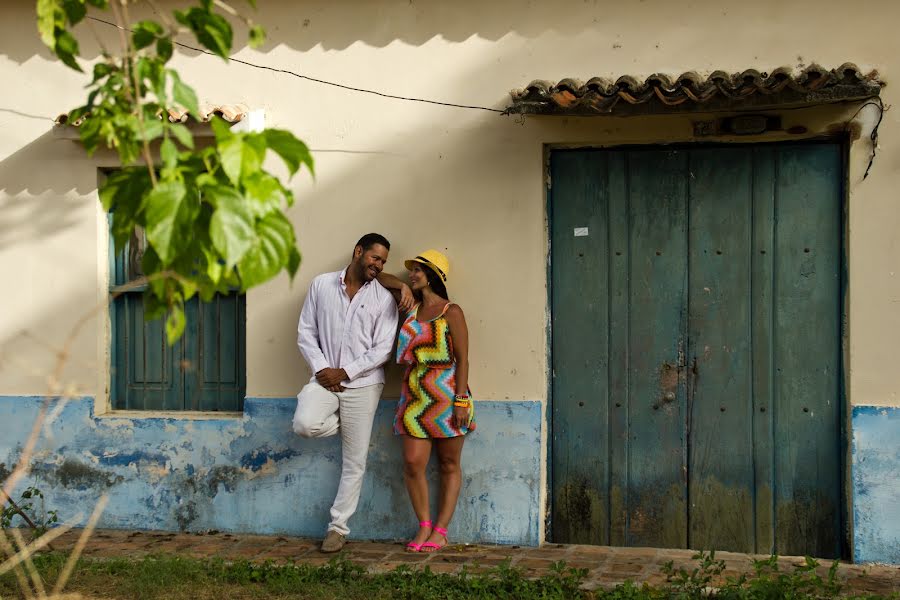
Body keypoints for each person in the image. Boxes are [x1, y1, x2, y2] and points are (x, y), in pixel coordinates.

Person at [292, 233, 402, 553]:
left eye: (383, 261)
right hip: (325, 378)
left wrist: (347, 372)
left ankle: (338, 528)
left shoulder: (383, 298)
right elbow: (306, 332)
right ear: (358, 252)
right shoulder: (321, 285)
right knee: (305, 424)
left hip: (364, 384)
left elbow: (383, 349)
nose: (378, 265)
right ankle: (349, 426)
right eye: (375, 258)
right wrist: (324, 369)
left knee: (354, 461)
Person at [392, 249, 474, 553]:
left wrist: (462, 400)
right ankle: (424, 525)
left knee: (449, 463)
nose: (411, 275)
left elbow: (464, 359)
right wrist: (401, 286)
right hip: (414, 395)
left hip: (448, 393)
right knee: (413, 463)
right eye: (412, 270)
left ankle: (441, 530)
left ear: (433, 276)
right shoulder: (410, 310)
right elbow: (384, 280)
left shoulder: (451, 311)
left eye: (417, 270)